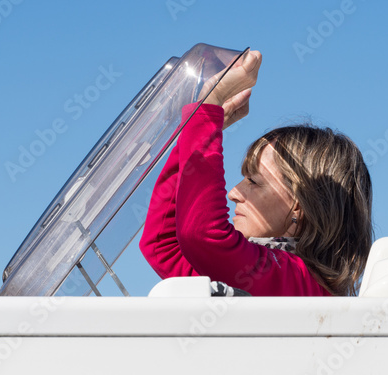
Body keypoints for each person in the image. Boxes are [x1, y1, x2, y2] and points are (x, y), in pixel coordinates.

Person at [139, 50, 373, 296]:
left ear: (300, 206)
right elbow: (162, 245)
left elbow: (203, 235)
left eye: (254, 181)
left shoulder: (298, 281)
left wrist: (210, 106)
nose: (234, 192)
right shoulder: (269, 275)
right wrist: (199, 129)